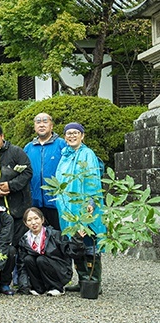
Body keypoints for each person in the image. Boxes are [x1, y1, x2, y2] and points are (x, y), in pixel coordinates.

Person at [55, 122, 106, 292]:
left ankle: (93, 281)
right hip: (68, 207)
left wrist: (90, 202)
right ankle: (82, 279)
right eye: (68, 133)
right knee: (75, 243)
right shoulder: (65, 155)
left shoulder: (87, 154)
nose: (72, 136)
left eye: (76, 132)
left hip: (85, 206)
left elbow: (92, 178)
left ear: (82, 136)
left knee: (88, 241)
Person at [17, 207, 85, 296]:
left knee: (41, 259)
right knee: (28, 259)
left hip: (59, 270)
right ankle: (39, 288)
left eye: (36, 218)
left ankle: (57, 287)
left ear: (42, 219)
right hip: (41, 269)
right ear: (25, 223)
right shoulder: (25, 240)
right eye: (29, 220)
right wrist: (24, 286)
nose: (33, 222)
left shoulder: (54, 234)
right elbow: (22, 265)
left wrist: (77, 240)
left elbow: (71, 252)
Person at [24, 113, 67, 230]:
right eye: (38, 122)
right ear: (34, 127)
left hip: (57, 202)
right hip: (35, 202)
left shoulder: (62, 144)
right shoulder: (28, 148)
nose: (41, 125)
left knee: (60, 237)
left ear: (51, 126)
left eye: (45, 121)